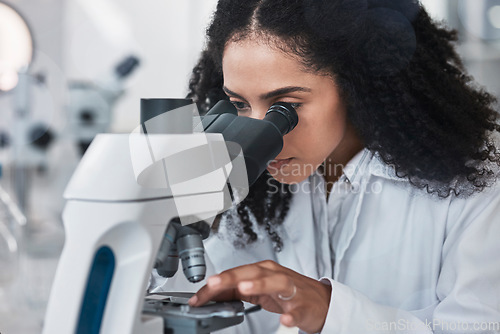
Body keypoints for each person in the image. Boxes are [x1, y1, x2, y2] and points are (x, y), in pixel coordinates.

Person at [152, 0, 500, 333]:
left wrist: (328, 310)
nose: (258, 135)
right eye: (239, 105)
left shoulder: (477, 185)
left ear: (357, 86)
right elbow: (222, 314)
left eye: (285, 108)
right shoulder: (254, 188)